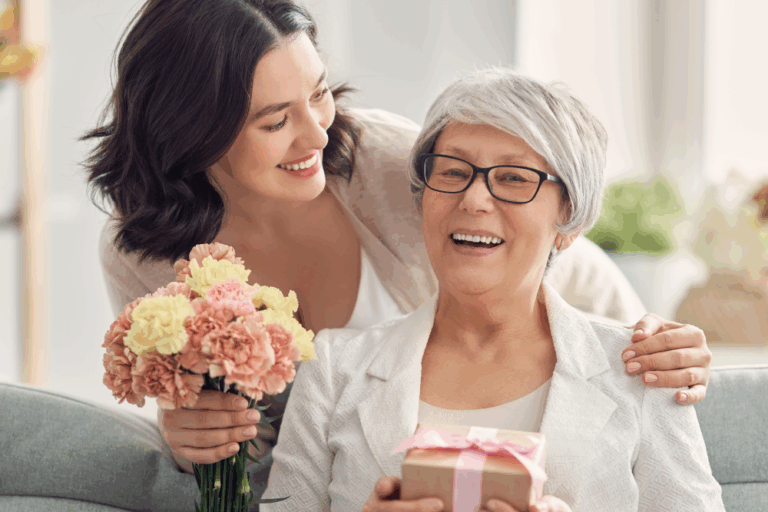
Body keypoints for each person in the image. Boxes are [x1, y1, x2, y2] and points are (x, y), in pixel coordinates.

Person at [84, 0, 711, 484]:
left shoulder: (379, 160)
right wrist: (187, 430)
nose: (315, 135)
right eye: (275, 121)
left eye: (319, 93)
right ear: (191, 129)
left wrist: (648, 346)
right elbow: (248, 452)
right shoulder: (143, 256)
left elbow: (543, 246)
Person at [260, 67, 724, 512]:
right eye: (453, 172)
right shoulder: (335, 370)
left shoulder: (644, 373)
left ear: (568, 220)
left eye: (514, 178)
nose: (475, 199)